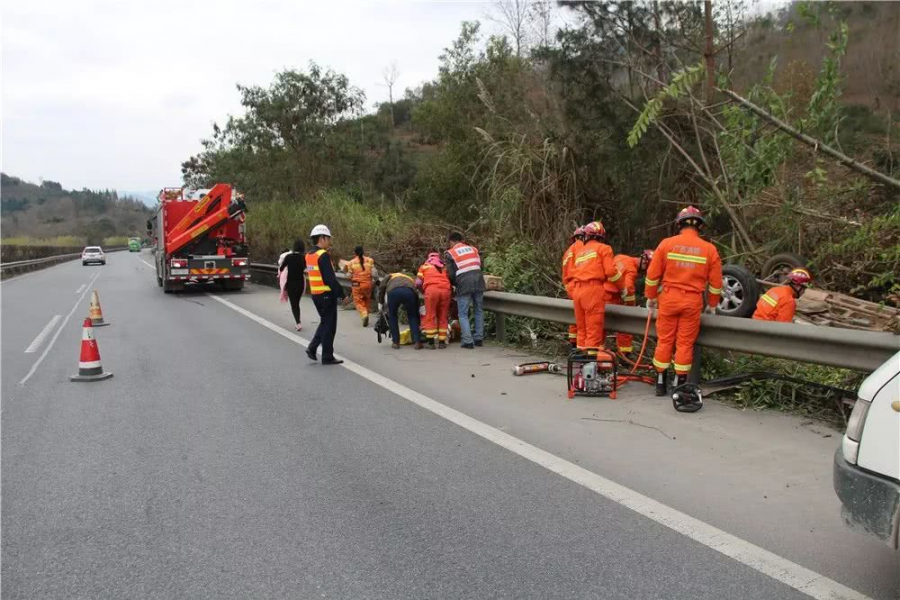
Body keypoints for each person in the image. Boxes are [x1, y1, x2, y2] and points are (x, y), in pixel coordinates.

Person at [644, 206, 722, 395]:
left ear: (679, 224)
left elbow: (652, 275)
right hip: (692, 302)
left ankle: (660, 382)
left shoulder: (666, 244)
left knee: (665, 341)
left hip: (669, 299)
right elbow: (716, 284)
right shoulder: (709, 250)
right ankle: (679, 383)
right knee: (685, 343)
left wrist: (651, 297)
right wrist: (712, 304)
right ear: (700, 227)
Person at [571, 220, 618, 353]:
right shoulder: (604, 249)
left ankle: (580, 360)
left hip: (577, 291)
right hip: (592, 290)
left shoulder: (581, 252)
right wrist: (621, 285)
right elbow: (610, 272)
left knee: (582, 329)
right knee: (593, 330)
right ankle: (590, 363)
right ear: (600, 236)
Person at [305, 224, 345, 365]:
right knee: (329, 326)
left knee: (325, 323)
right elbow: (330, 278)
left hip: (316, 294)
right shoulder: (322, 255)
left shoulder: (309, 255)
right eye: (328, 238)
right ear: (322, 238)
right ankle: (327, 356)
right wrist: (342, 293)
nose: (329, 241)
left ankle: (313, 348)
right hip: (326, 295)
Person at [445, 232, 485, 349]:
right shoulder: (474, 249)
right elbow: (480, 265)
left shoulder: (450, 253)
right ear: (461, 240)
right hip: (479, 280)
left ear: (451, 241)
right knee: (478, 310)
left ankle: (467, 341)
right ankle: (478, 339)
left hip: (464, 283)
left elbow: (451, 273)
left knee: (462, 314)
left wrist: (455, 285)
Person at [603, 252, 639, 354]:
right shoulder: (632, 270)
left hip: (601, 294)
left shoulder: (620, 257)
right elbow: (629, 289)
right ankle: (624, 355)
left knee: (598, 328)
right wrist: (631, 306)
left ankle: (595, 354)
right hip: (613, 298)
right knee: (625, 326)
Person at [377, 272, 424, 350]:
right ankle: (417, 342)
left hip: (393, 292)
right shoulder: (409, 279)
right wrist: (416, 308)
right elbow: (416, 292)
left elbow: (381, 288)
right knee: (413, 316)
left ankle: (396, 343)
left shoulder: (390, 276)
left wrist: (380, 303)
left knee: (393, 316)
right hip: (409, 292)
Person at [417, 252, 452, 349]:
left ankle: (431, 343)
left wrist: (423, 290)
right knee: (443, 316)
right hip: (446, 291)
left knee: (430, 315)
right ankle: (441, 342)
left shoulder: (424, 267)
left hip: (432, 291)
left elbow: (418, 282)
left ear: (429, 258)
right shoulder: (444, 267)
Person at [562, 227, 585, 348]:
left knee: (575, 316)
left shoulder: (567, 252)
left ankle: (573, 344)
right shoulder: (581, 246)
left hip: (569, 286)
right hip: (578, 284)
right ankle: (582, 346)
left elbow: (563, 274)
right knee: (583, 317)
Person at [343, 245, 375, 327]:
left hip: (356, 284)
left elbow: (349, 276)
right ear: (363, 251)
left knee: (358, 301)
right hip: (368, 283)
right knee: (367, 300)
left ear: (355, 253)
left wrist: (345, 273)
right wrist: (376, 280)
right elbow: (374, 273)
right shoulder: (370, 260)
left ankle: (364, 315)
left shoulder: (351, 262)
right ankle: (366, 316)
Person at [279, 239, 306, 331]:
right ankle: (298, 321)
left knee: (294, 304)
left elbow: (281, 268)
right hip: (300, 284)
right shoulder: (303, 258)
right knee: (297, 303)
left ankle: (298, 323)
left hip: (291, 284)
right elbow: (305, 267)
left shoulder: (288, 257)